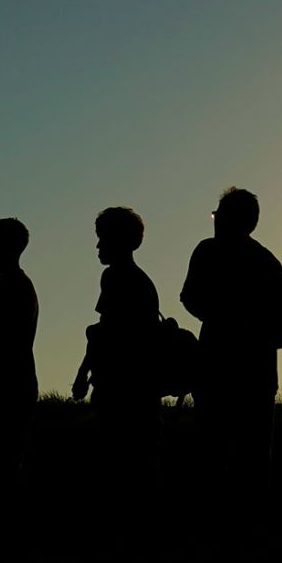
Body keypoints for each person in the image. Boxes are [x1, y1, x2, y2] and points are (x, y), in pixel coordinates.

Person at [180, 187, 282, 497]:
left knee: (214, 452)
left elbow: (189, 297)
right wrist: (266, 333)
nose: (215, 220)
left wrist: (228, 319)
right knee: (253, 458)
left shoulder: (208, 251)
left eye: (218, 214)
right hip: (256, 371)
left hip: (218, 367)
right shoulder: (263, 258)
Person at [72, 206, 163, 491]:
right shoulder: (141, 280)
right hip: (141, 388)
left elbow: (104, 331)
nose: (98, 245)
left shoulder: (115, 278)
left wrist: (83, 372)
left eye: (102, 238)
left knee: (118, 464)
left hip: (121, 387)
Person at [0, 217, 39, 490]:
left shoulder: (13, 288)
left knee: (0, 472)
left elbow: (6, 343)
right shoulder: (11, 286)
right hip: (5, 389)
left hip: (8, 391)